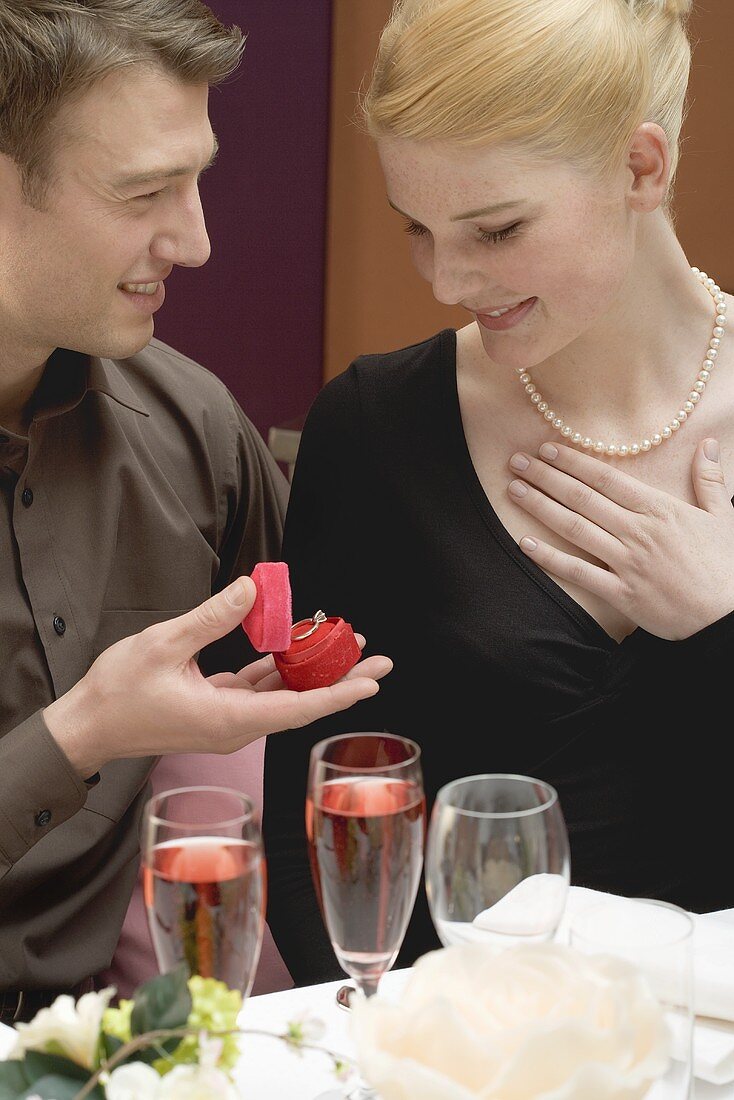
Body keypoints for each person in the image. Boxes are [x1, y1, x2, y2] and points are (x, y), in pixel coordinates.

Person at [263, 0, 734, 987]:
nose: (445, 279)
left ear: (639, 168)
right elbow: (316, 834)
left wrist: (720, 618)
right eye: (419, 231)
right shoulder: (374, 429)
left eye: (494, 228)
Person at [0, 0, 391, 1021]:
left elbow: (314, 661)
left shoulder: (193, 425)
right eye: (145, 191)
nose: (197, 240)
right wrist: (81, 729)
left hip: (131, 1047)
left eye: (197, 179)